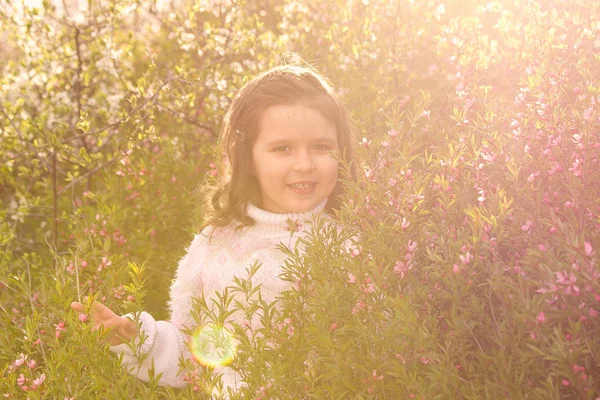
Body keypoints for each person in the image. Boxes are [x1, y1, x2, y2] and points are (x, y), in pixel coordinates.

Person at [70, 64, 356, 393]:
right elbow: (192, 350)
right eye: (282, 148)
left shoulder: (352, 245)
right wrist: (140, 340)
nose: (305, 164)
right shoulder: (216, 242)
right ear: (248, 158)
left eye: (321, 146)